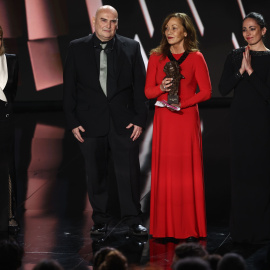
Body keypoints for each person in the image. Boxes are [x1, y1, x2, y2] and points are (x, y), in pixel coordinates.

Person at [63, 5, 148, 236]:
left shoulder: (131, 47)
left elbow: (140, 87)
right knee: (96, 173)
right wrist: (72, 121)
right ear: (94, 21)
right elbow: (69, 88)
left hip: (124, 122)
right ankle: (100, 219)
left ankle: (133, 218)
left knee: (128, 173)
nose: (108, 25)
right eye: (103, 20)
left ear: (117, 23)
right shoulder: (76, 47)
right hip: (90, 122)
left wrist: (140, 118)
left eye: (112, 21)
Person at [145, 13, 211, 239]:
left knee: (185, 171)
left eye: (174, 27)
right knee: (166, 172)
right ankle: (164, 228)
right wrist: (161, 87)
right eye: (166, 28)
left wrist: (184, 102)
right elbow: (148, 92)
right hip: (164, 119)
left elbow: (206, 92)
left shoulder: (196, 57)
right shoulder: (156, 57)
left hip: (185, 118)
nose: (169, 32)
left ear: (185, 31)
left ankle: (188, 227)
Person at [219, 12, 270, 244]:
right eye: (244, 30)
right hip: (240, 123)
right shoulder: (235, 55)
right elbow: (222, 88)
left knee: (261, 175)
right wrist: (241, 70)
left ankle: (262, 231)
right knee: (240, 176)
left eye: (252, 28)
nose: (248, 34)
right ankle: (240, 230)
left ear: (263, 30)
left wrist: (251, 71)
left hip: (262, 124)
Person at [0, 25, 19, 235]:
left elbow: (12, 92)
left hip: (4, 119)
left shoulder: (11, 60)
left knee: (8, 168)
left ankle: (10, 215)